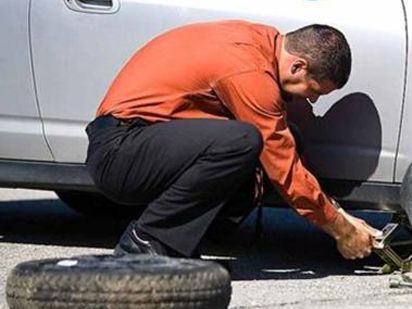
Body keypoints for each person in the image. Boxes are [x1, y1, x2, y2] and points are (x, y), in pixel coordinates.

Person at [85, 20, 379, 260]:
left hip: (140, 143)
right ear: (298, 67)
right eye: (315, 90)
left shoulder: (259, 41)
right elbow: (283, 167)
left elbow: (284, 150)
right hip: (120, 152)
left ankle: (189, 239)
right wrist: (340, 230)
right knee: (244, 140)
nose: (312, 100)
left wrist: (340, 213)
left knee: (283, 139)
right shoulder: (249, 71)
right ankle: (147, 241)